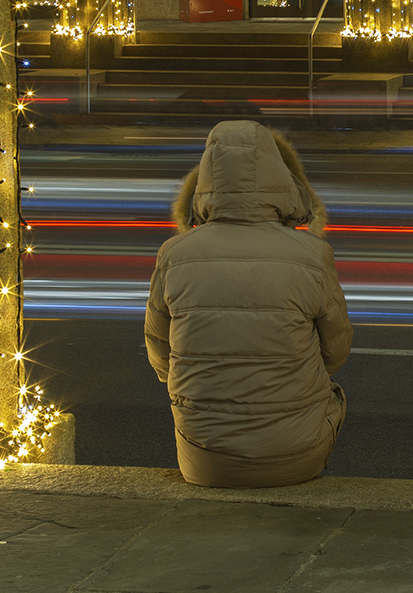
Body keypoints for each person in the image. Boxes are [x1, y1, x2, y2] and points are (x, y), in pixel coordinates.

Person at [145, 120, 351, 488]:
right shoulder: (312, 255)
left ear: (204, 184)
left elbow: (161, 358)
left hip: (203, 463)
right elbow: (335, 353)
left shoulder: (174, 255)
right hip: (296, 459)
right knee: (332, 395)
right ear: (285, 181)